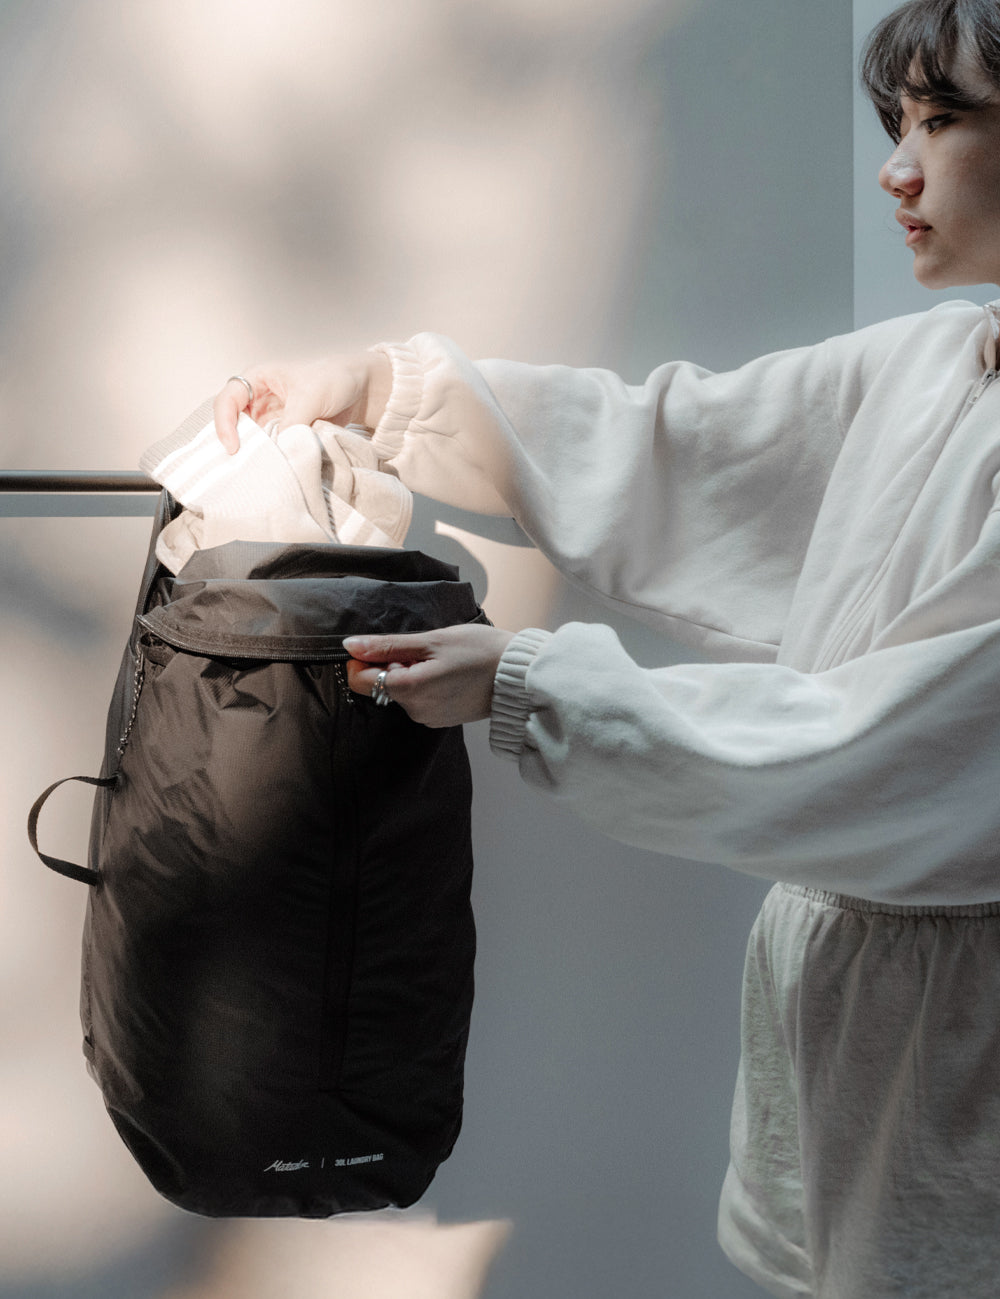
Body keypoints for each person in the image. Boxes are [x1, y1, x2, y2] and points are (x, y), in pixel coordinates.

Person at [209, 2, 1000, 1295]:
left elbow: (897, 747)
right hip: (881, 1049)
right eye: (897, 120)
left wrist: (523, 680)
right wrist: (391, 396)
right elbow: (677, 449)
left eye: (948, 120)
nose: (896, 166)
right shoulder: (941, 366)